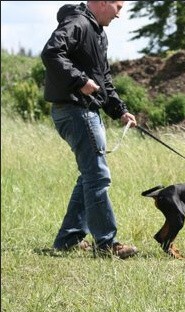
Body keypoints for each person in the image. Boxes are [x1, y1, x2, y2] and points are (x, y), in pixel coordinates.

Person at [41, 1, 138, 258]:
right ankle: (107, 244)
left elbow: (104, 78)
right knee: (97, 176)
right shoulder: (78, 23)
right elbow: (51, 52)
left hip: (81, 111)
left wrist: (119, 111)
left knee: (89, 176)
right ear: (102, 2)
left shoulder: (97, 32)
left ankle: (68, 240)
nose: (120, 14)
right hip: (76, 111)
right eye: (117, 6)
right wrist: (80, 80)